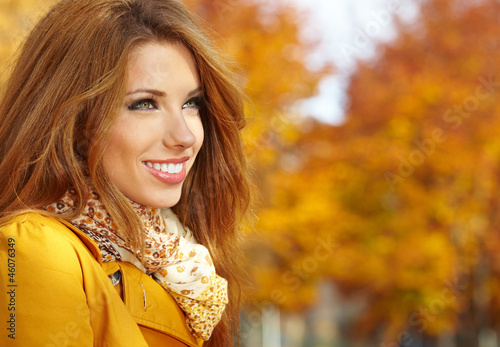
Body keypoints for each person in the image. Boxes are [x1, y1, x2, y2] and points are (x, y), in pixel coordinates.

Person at [0, 0, 251, 346]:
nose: (185, 137)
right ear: (73, 123)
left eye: (191, 103)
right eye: (145, 103)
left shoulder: (181, 260)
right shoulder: (35, 250)